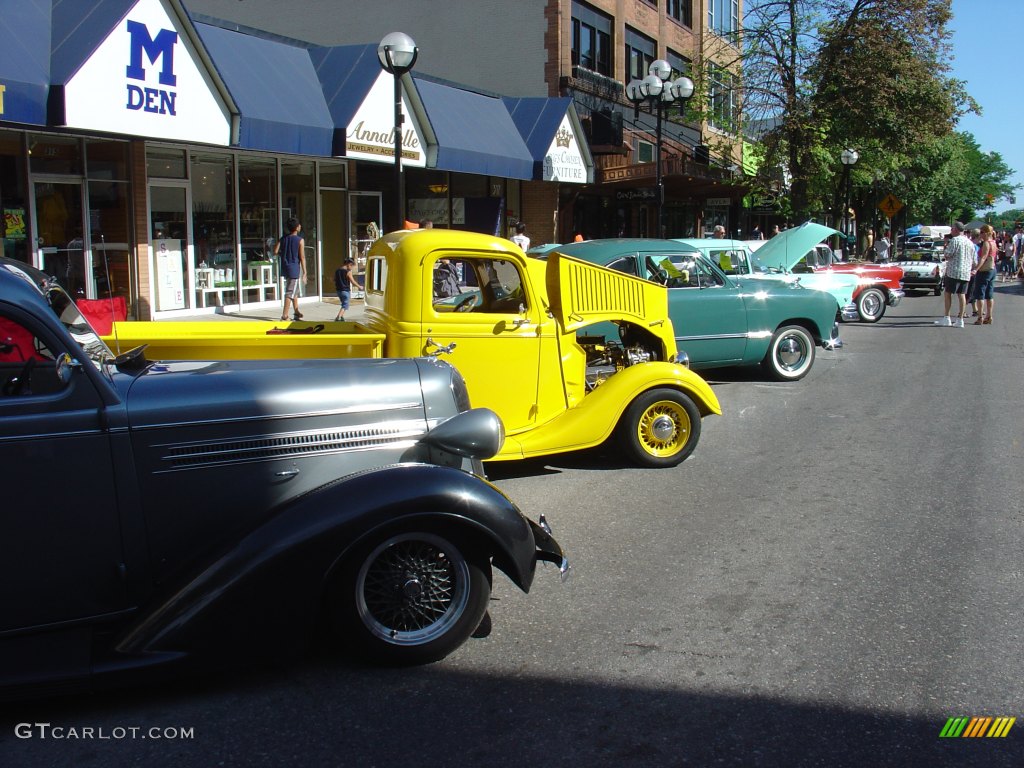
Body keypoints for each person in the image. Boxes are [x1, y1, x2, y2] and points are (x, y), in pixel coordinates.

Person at [934, 221, 975, 328]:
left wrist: (946, 247)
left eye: (952, 229)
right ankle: (960, 319)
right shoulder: (970, 242)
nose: (951, 231)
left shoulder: (955, 241)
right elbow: (974, 260)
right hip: (965, 272)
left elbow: (947, 255)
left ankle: (947, 317)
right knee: (962, 295)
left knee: (948, 293)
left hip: (954, 271)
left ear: (956, 229)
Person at [274, 217, 306, 321]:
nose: (300, 226)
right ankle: (284, 315)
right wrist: (305, 272)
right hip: (294, 269)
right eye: (299, 225)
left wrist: (283, 255)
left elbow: (275, 251)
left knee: (294, 291)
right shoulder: (300, 240)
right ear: (297, 228)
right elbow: (302, 257)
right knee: (290, 292)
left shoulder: (283, 238)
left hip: (285, 268)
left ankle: (296, 312)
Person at [972, 224, 998, 324]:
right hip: (992, 269)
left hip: (985, 271)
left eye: (982, 232)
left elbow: (983, 257)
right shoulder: (994, 242)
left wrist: (976, 269)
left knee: (980, 294)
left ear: (987, 233)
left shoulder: (987, 243)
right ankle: (989, 316)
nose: (980, 234)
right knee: (989, 295)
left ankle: (980, 317)